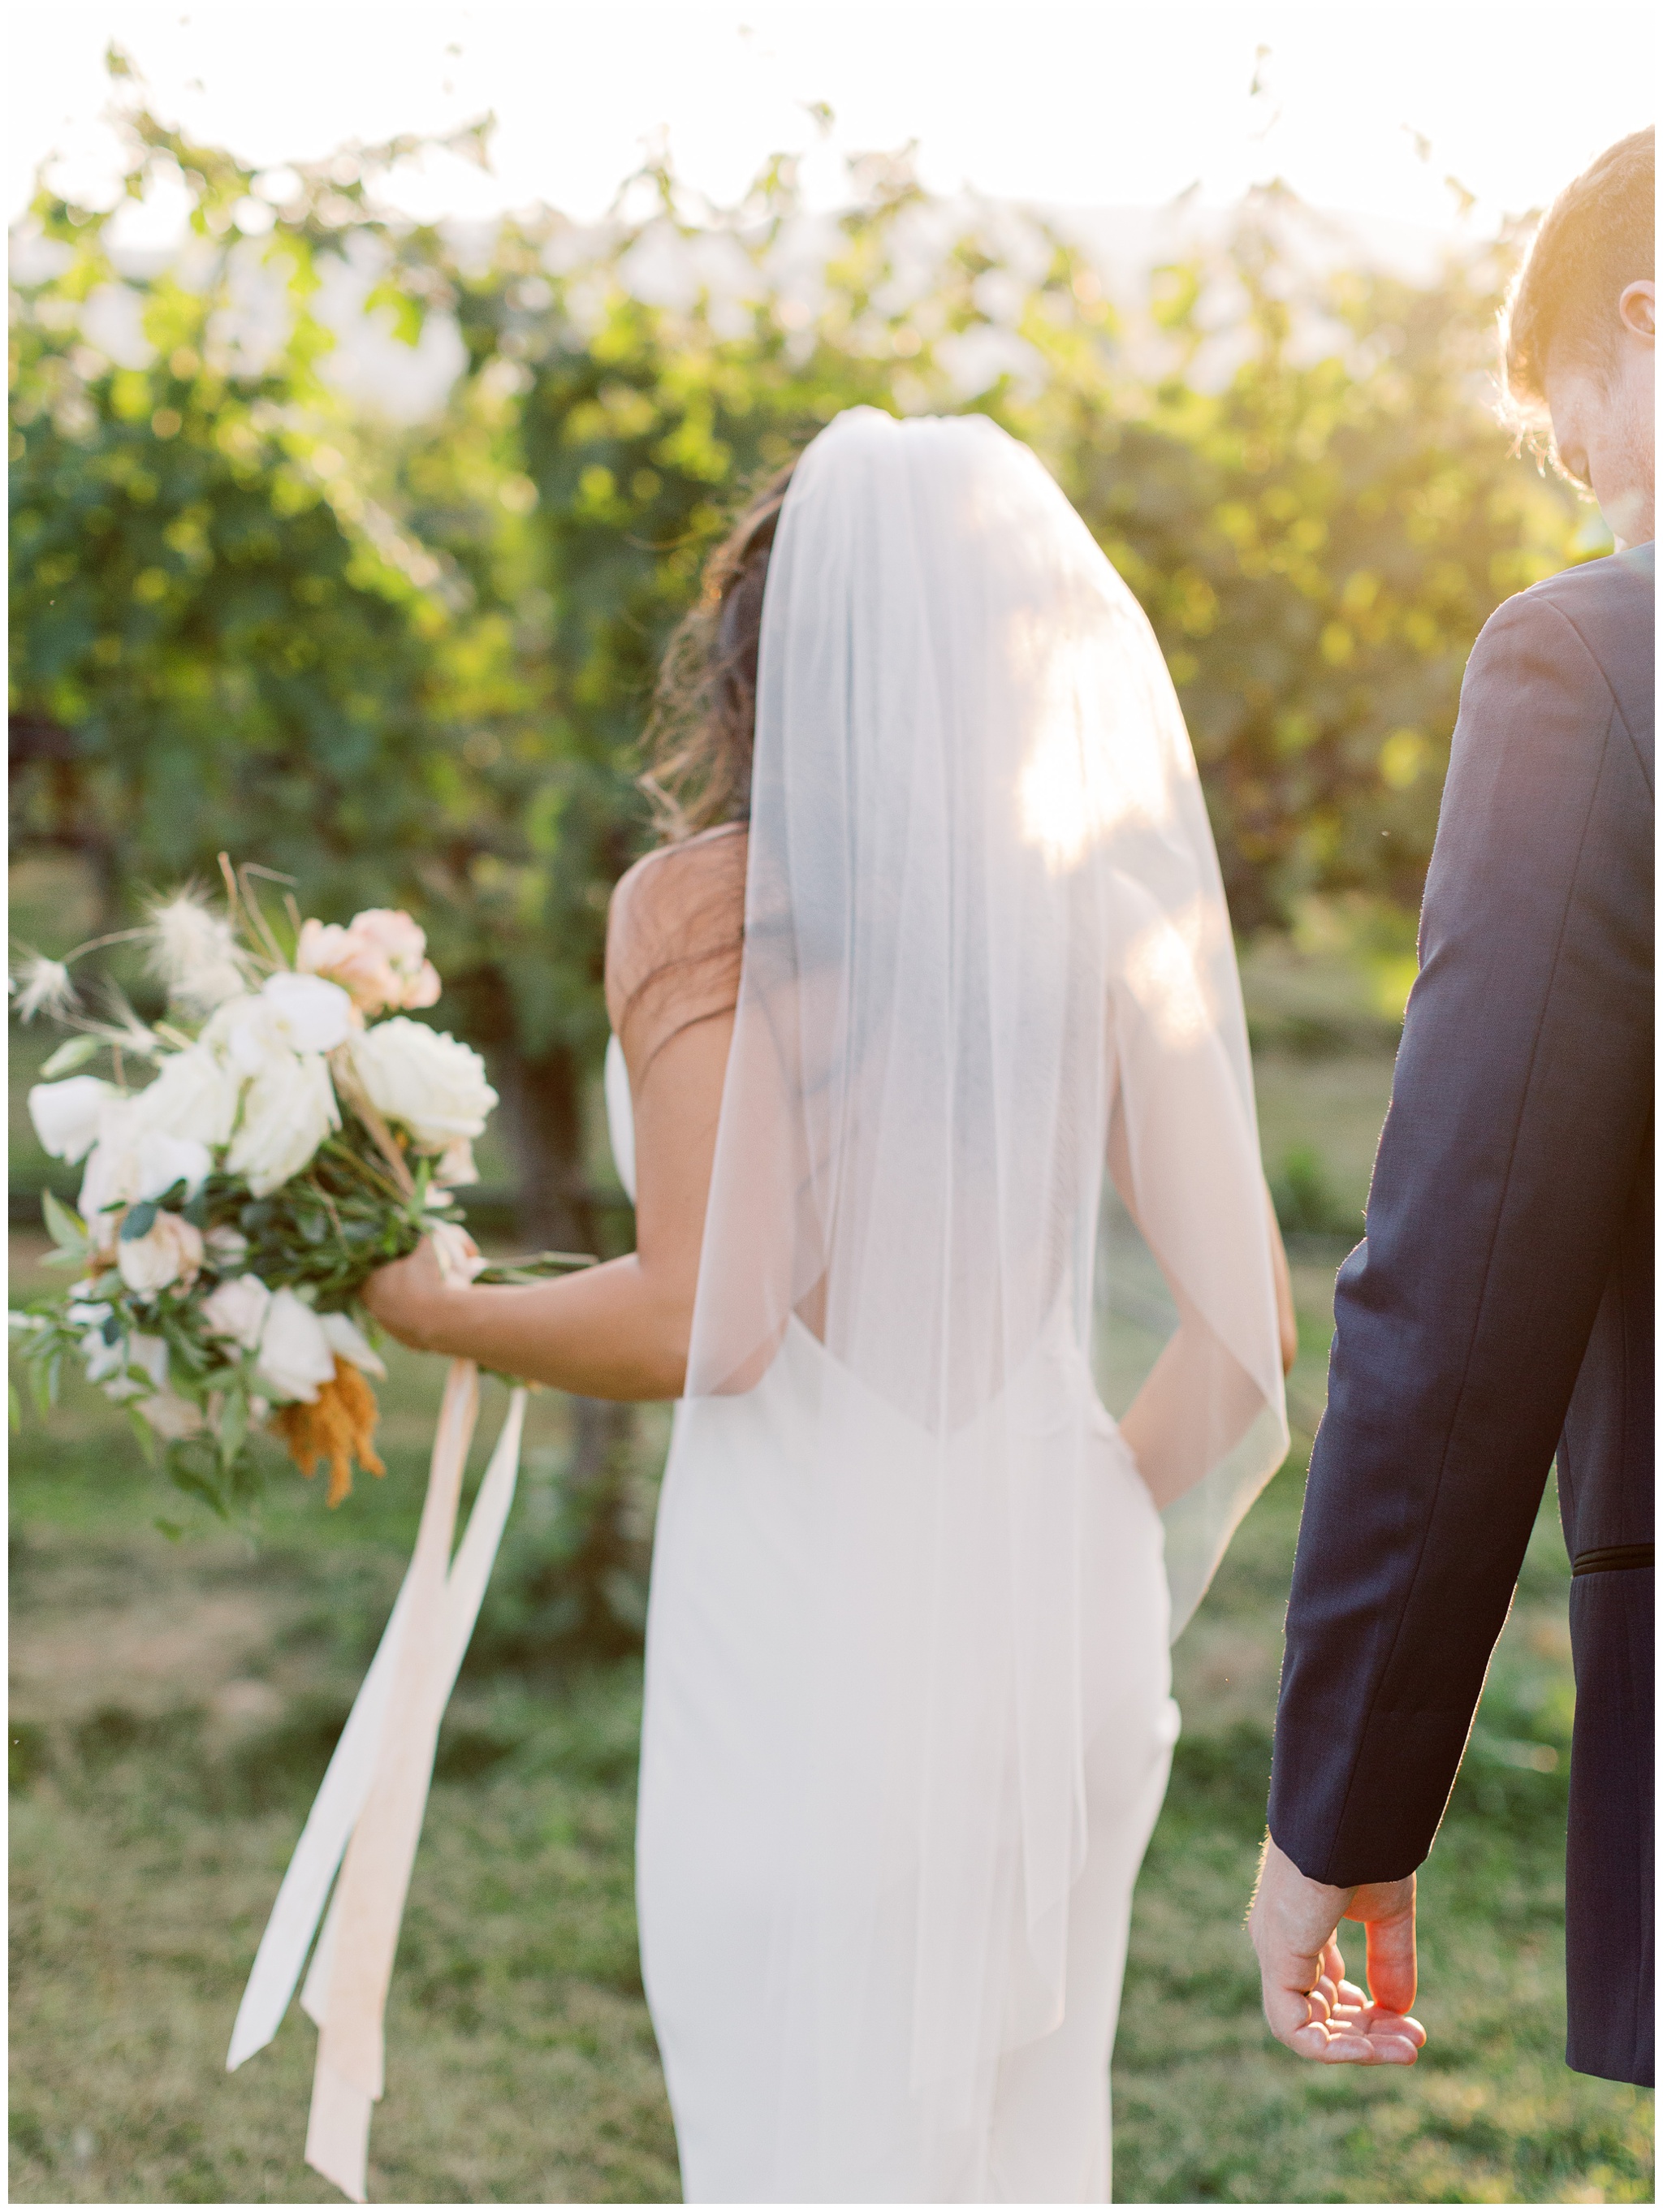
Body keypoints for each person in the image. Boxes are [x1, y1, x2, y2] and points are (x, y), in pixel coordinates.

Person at [368, 407, 1296, 2199]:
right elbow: (1248, 1327)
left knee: (803, 2137)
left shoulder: (704, 911)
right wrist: (1090, 1504)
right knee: (1020, 2146)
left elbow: (707, 1324)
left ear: (757, 655)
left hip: (813, 1627)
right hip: (1058, 1632)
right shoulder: (1104, 906)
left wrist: (441, 1313)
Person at [1250, 127, 1654, 2089]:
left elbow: (1466, 1269)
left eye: (1574, 437)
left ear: (1644, 321)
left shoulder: (1592, 663)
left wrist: (1347, 1801)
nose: (1580, 494)